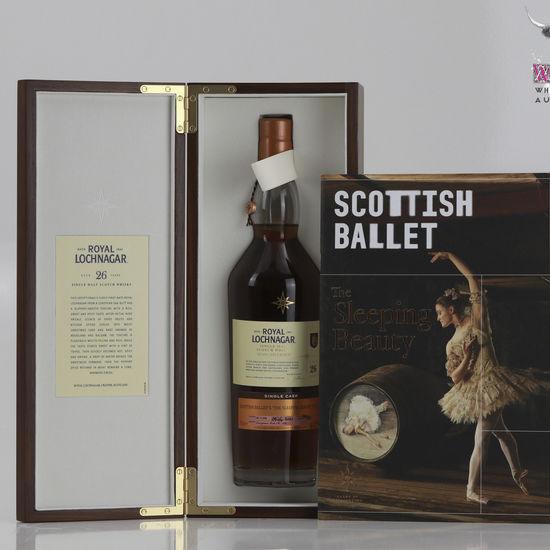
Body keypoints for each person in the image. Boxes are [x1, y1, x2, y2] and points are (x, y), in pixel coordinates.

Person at [430, 251, 550, 505]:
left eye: (439, 312)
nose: (438, 318)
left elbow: (472, 279)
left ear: (451, 309)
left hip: (493, 384)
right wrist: (466, 355)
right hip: (473, 390)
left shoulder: (478, 322)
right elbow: (456, 378)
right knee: (497, 434)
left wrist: (450, 256)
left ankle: (475, 488)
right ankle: (510, 474)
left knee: (489, 437)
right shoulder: (451, 344)